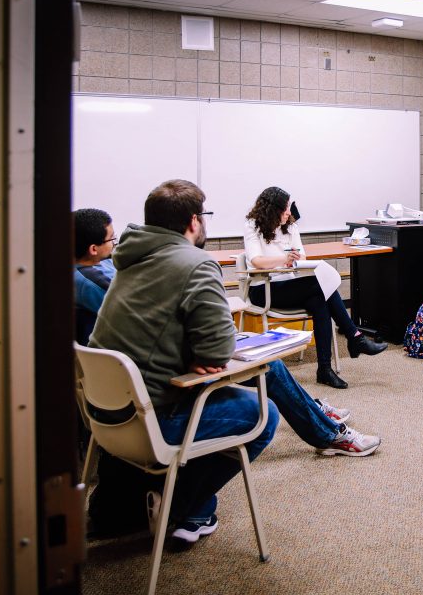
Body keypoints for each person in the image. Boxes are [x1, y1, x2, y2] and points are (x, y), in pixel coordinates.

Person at [90, 182, 380, 544]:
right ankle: (181, 506)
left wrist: (197, 352)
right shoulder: (195, 264)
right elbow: (216, 352)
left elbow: (167, 334)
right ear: (194, 222)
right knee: (263, 412)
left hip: (107, 415)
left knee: (266, 369)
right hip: (153, 419)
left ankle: (324, 429)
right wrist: (202, 353)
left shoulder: (127, 262)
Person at [244, 186, 387, 389]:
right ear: (272, 209)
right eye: (285, 209)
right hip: (263, 288)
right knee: (318, 286)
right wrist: (283, 259)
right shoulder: (253, 225)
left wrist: (293, 259)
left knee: (319, 298)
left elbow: (301, 256)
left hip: (291, 285)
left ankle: (325, 369)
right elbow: (257, 261)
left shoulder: (290, 226)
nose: (288, 212)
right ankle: (354, 337)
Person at [73, 208, 117, 346]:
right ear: (93, 249)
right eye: (112, 239)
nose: (115, 243)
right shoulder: (90, 283)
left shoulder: (102, 261)